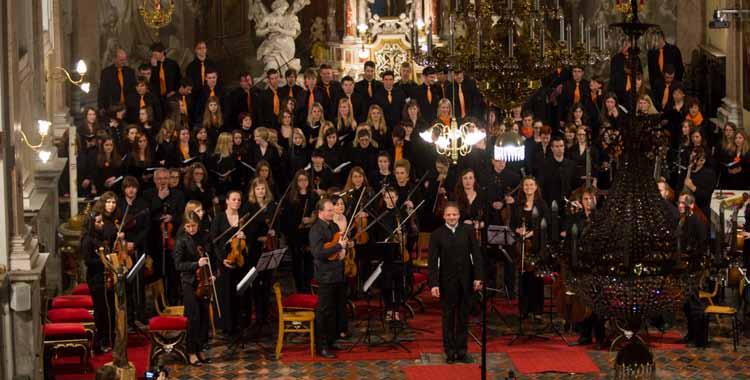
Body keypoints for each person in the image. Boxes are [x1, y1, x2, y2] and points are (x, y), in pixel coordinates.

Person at [428, 202, 484, 364]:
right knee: (448, 318)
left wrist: (478, 277)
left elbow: (476, 255)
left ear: (459, 215)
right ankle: (450, 351)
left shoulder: (467, 231)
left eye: (454, 214)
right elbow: (433, 262)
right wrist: (434, 284)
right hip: (446, 282)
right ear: (444, 216)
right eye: (448, 215)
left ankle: (462, 350)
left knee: (463, 317)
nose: (452, 217)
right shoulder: (437, 234)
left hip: (466, 281)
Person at [309, 198, 351, 358]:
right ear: (320, 212)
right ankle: (322, 346)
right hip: (325, 275)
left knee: (334, 309)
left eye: (332, 210)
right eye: (329, 210)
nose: (332, 212)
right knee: (324, 311)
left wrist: (345, 245)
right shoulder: (315, 230)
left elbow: (338, 244)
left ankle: (332, 340)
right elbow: (318, 252)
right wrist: (338, 246)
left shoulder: (333, 226)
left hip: (337, 273)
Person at [172, 211, 213, 366]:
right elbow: (178, 265)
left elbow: (211, 256)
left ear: (198, 224)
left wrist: (212, 272)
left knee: (203, 317)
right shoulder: (181, 240)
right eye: (188, 226)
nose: (191, 229)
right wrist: (197, 264)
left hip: (204, 281)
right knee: (193, 317)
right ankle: (190, 352)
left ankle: (200, 349)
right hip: (189, 282)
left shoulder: (203, 237)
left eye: (193, 226)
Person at [81, 209, 117, 353]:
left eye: (102, 221)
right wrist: (104, 260)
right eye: (98, 222)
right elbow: (88, 260)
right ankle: (101, 342)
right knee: (101, 311)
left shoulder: (100, 236)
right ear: (91, 224)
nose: (102, 224)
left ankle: (109, 338)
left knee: (108, 310)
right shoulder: (87, 240)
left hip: (105, 278)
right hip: (96, 279)